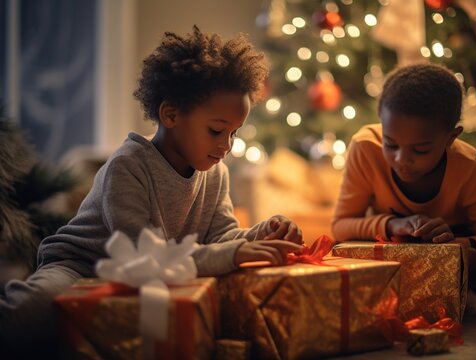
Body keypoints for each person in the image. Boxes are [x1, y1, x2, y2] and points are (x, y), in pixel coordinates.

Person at [0, 26, 303, 357]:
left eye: (234, 133)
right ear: (170, 114)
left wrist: (262, 234)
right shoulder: (127, 166)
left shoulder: (217, 174)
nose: (226, 145)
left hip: (156, 273)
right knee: (31, 314)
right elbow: (141, 256)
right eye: (216, 130)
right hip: (83, 266)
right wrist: (232, 253)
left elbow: (222, 236)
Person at [332, 63, 476, 305]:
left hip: (455, 274)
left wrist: (456, 245)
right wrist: (394, 225)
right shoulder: (366, 148)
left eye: (420, 150)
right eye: (390, 144)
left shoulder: (467, 166)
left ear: (451, 138)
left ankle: (473, 298)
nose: (401, 160)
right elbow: (340, 227)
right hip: (390, 272)